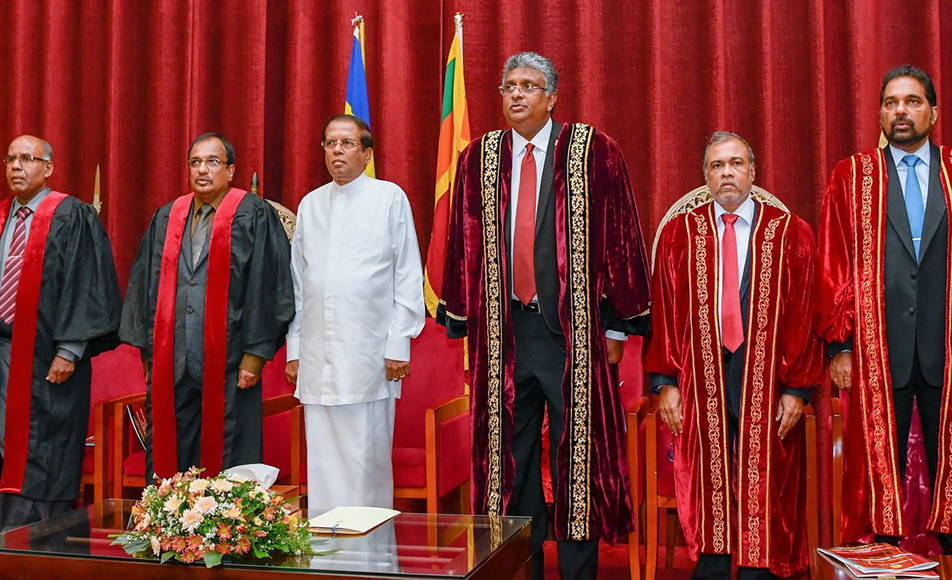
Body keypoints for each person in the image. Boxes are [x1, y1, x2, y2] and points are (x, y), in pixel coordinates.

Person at [437, 52, 651, 580]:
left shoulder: (592, 150)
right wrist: (462, 314)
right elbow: (464, 239)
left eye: (529, 86)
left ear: (552, 97)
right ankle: (521, 568)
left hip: (572, 333)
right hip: (504, 332)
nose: (517, 94)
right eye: (509, 85)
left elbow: (620, 235)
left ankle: (577, 574)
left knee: (578, 458)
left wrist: (617, 323)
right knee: (511, 461)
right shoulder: (479, 157)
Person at [814, 64, 952, 550]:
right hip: (877, 352)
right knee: (877, 482)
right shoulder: (852, 177)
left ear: (933, 113)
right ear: (880, 113)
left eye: (912, 101)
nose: (901, 111)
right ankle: (882, 563)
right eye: (891, 102)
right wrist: (839, 346)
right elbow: (835, 265)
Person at [644, 132, 820, 579]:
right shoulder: (680, 235)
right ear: (705, 176)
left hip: (768, 376)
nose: (727, 173)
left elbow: (803, 313)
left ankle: (762, 566)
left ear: (753, 172)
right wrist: (665, 383)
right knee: (707, 472)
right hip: (699, 377)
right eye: (717, 165)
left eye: (736, 164)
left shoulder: (790, 233)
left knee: (766, 474)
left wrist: (797, 388)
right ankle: (714, 564)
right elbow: (664, 313)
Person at [120, 133, 294, 482]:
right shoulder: (167, 217)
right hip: (172, 363)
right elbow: (144, 288)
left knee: (230, 464)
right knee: (172, 461)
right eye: (195, 162)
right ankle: (171, 517)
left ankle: (227, 520)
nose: (202, 170)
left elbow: (268, 284)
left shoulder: (253, 214)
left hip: (231, 364)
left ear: (230, 171)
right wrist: (150, 357)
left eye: (213, 162)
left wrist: (255, 355)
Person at [284, 114, 424, 511]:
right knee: (322, 466)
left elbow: (407, 274)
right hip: (317, 358)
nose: (337, 151)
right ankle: (325, 546)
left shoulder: (389, 198)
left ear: (366, 153)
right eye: (330, 143)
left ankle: (368, 549)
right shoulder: (310, 204)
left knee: (365, 465)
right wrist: (295, 348)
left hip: (370, 358)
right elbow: (299, 282)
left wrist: (399, 344)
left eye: (347, 143)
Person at [0, 135, 121, 530]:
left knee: (44, 447)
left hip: (48, 357)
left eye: (27, 158)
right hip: (2, 351)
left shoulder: (72, 216)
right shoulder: (2, 217)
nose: (16, 166)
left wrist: (69, 350)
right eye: (10, 159)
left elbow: (87, 284)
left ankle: (31, 538)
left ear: (48, 168)